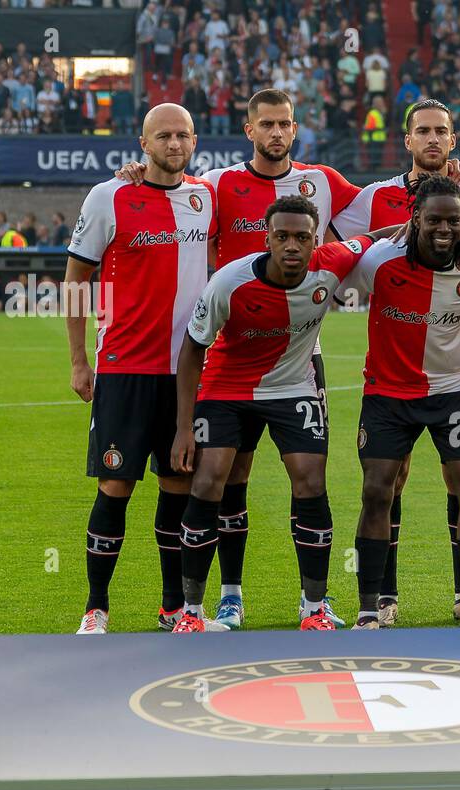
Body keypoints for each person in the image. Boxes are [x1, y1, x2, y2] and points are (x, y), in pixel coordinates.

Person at [116, 87, 363, 630]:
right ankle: (227, 595)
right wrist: (139, 174)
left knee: (309, 477)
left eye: (285, 124)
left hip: (300, 356)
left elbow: (383, 214)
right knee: (226, 477)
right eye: (266, 124)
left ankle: (314, 604)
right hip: (230, 352)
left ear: (295, 129)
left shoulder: (322, 182)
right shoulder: (220, 185)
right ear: (249, 130)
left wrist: (442, 185)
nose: (277, 133)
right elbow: (173, 194)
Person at [169, 196, 393, 632]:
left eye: (302, 238)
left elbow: (372, 239)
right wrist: (183, 428)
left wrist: (406, 229)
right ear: (267, 239)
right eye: (283, 237)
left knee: (310, 480)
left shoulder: (332, 263)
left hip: (293, 388)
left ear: (315, 242)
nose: (292, 246)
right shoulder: (228, 283)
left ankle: (314, 608)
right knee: (211, 477)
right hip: (228, 386)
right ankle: (191, 613)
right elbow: (193, 348)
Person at [330, 99, 460, 626]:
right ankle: (379, 599)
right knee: (385, 483)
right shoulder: (373, 199)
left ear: (453, 140)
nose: (432, 139)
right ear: (407, 140)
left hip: (457, 378)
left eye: (441, 132)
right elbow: (337, 253)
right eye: (422, 131)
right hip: (391, 380)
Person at [64, 103, 217, 635]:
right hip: (125, 370)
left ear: (194, 141)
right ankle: (96, 607)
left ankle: (173, 607)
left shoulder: (206, 197)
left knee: (179, 486)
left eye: (182, 135)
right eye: (163, 136)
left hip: (186, 374)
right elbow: (76, 278)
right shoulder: (109, 196)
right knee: (115, 486)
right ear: (143, 143)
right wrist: (80, 359)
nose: (174, 144)